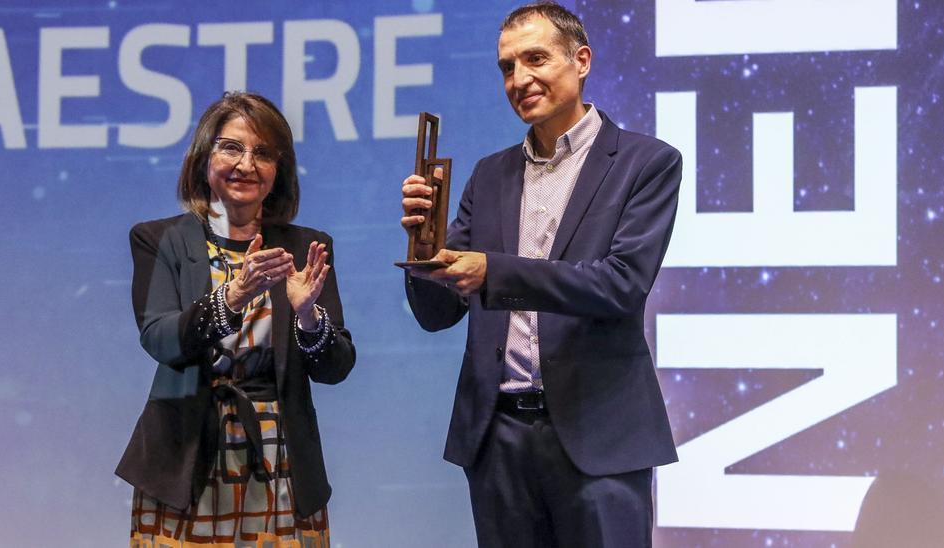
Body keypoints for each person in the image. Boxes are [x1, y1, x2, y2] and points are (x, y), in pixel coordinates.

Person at [400, 2, 681, 546]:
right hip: (497, 437)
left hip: (600, 437)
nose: (519, 79)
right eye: (507, 66)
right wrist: (422, 244)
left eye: (535, 59)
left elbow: (620, 285)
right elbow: (436, 314)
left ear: (581, 60)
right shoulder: (489, 174)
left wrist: (493, 271)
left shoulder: (647, 163)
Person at [118, 91, 355, 547]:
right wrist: (233, 295)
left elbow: (336, 367)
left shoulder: (306, 245)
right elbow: (161, 339)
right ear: (203, 158)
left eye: (263, 153)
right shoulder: (160, 240)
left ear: (278, 171)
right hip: (185, 455)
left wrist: (309, 317)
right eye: (231, 147)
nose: (247, 164)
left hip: (279, 455)